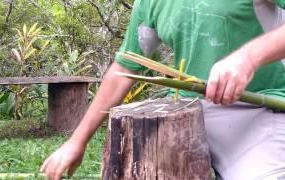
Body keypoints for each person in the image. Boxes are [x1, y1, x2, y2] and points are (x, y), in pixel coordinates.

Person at [41, 0, 285, 179]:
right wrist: (77, 141)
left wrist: (248, 58)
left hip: (260, 111)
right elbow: (126, 66)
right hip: (186, 114)